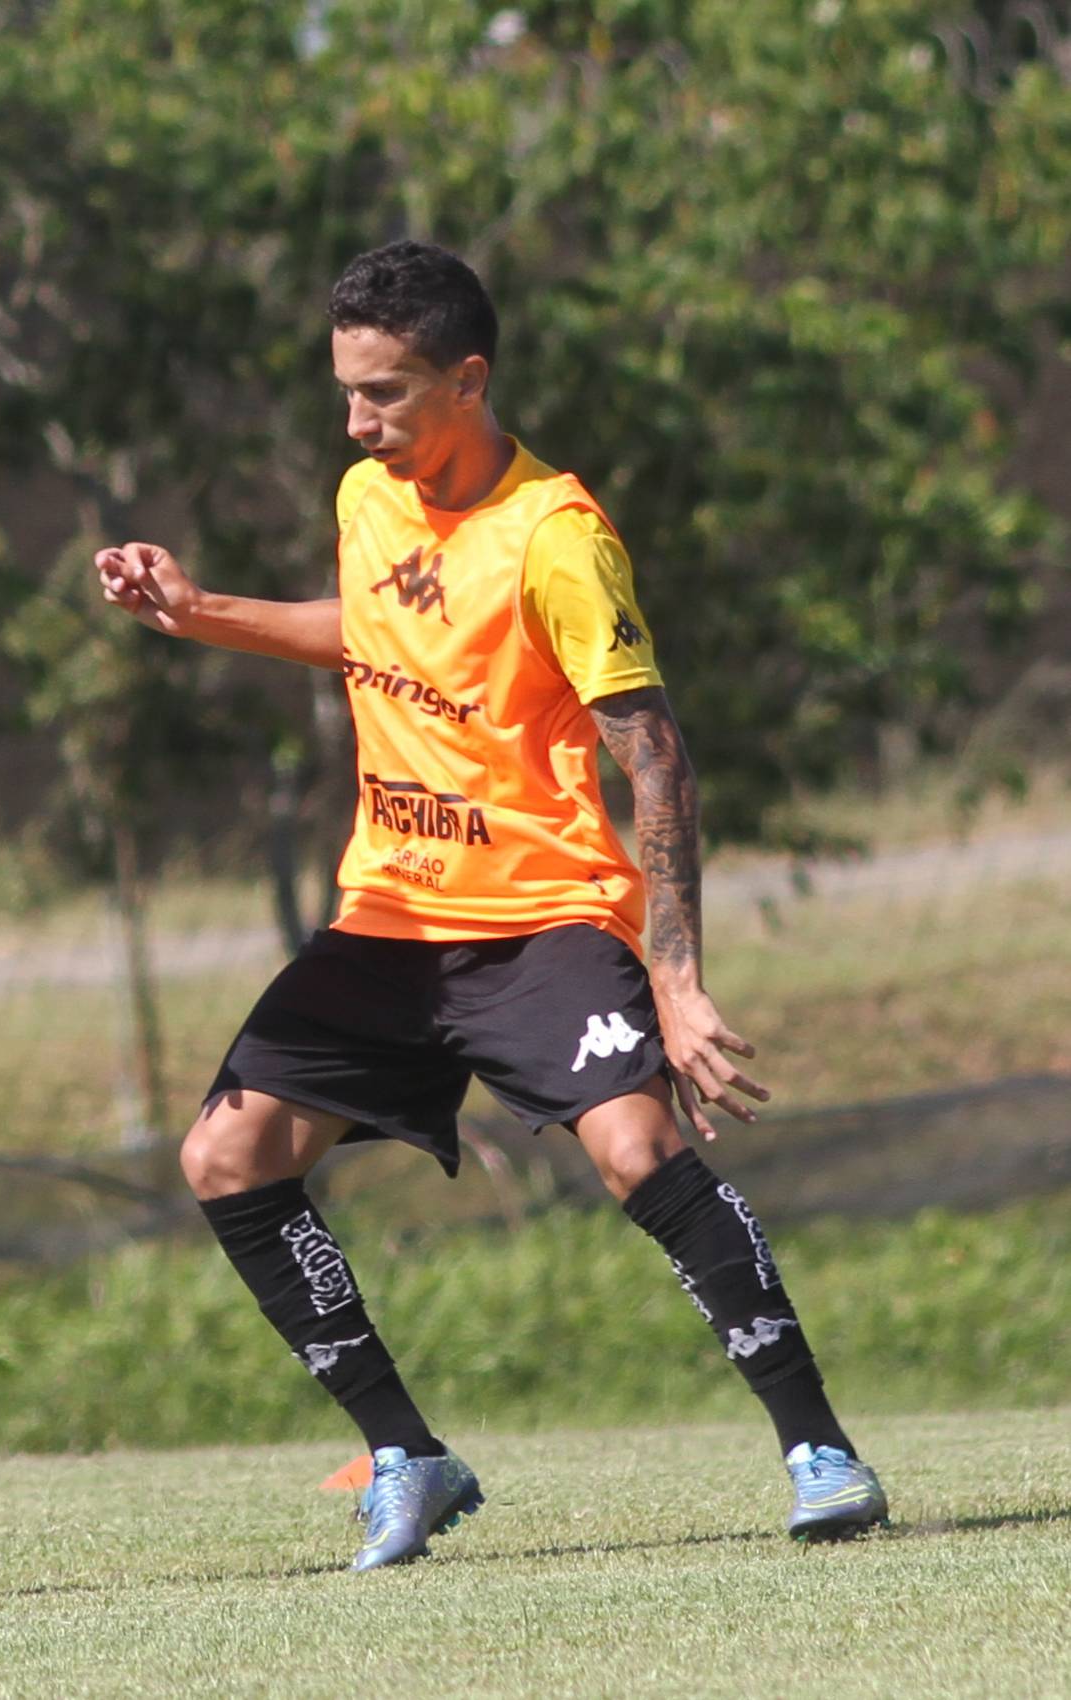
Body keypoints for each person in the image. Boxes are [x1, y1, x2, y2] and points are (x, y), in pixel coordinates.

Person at [95, 239, 889, 1571]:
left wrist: (676, 977)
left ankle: (819, 1450)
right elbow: (373, 631)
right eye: (347, 392)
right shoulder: (368, 495)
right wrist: (199, 610)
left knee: (636, 1151)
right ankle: (404, 1456)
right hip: (391, 922)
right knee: (225, 1158)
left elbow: (654, 755)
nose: (359, 422)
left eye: (387, 394)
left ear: (467, 380)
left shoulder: (557, 538)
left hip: (541, 918)